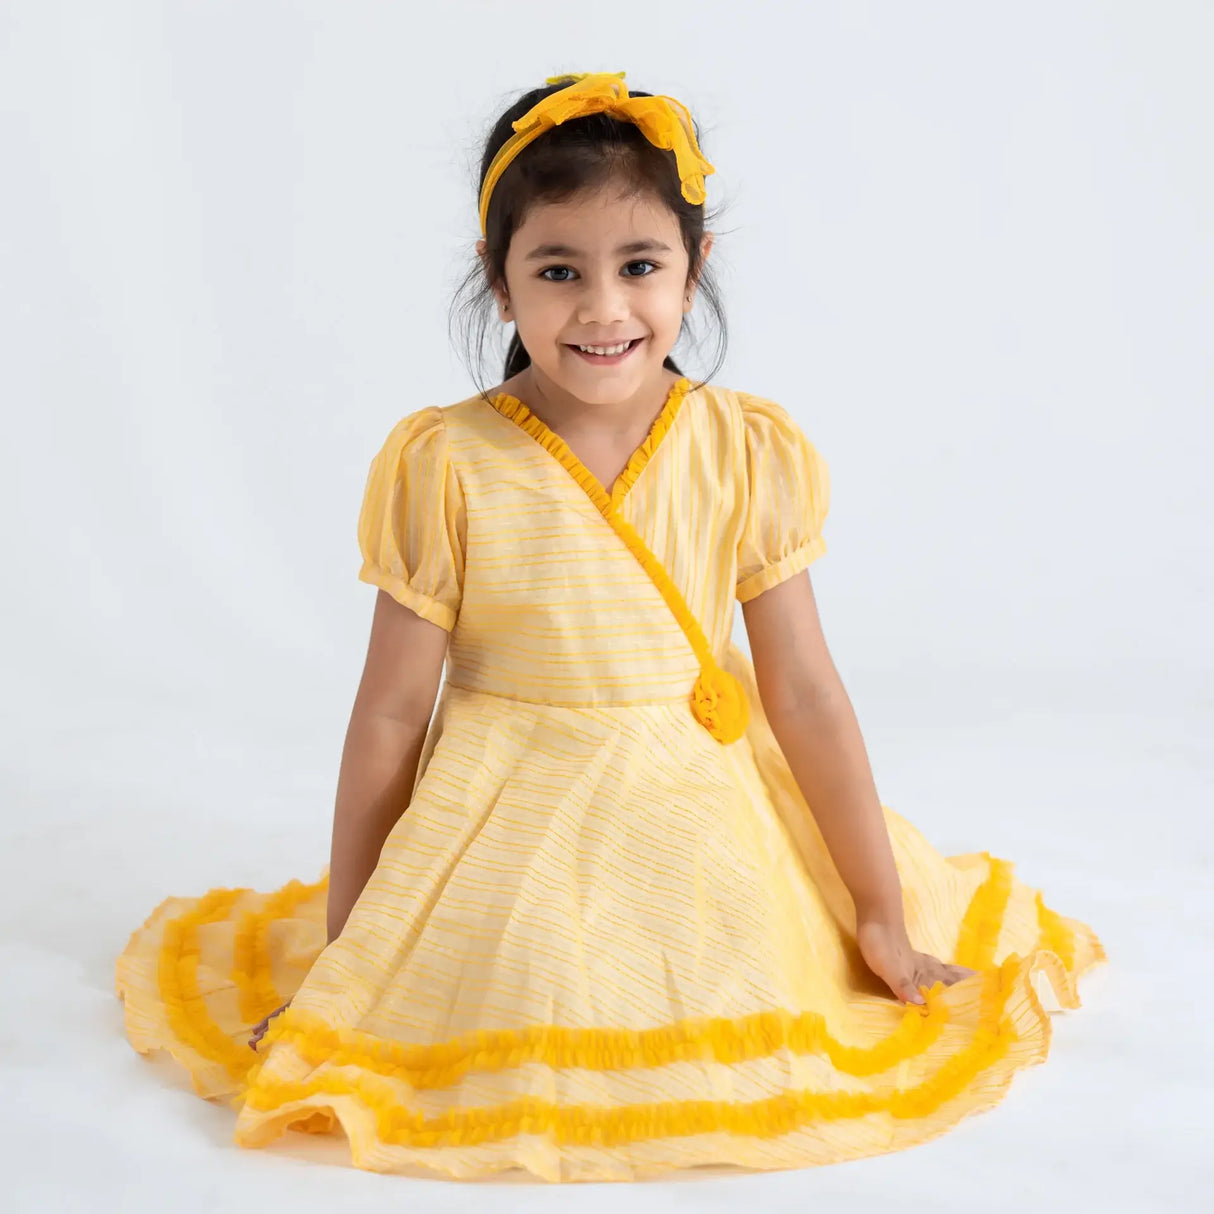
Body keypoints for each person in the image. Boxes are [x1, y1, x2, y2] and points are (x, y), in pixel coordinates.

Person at [115, 71, 1107, 1183]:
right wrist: (355, 952)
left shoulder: (742, 448)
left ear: (694, 268)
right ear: (499, 282)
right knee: (532, 971)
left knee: (735, 967)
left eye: (639, 266)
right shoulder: (446, 462)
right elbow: (393, 711)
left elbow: (807, 689)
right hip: (512, 811)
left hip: (704, 807)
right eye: (557, 271)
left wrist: (877, 910)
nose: (601, 309)